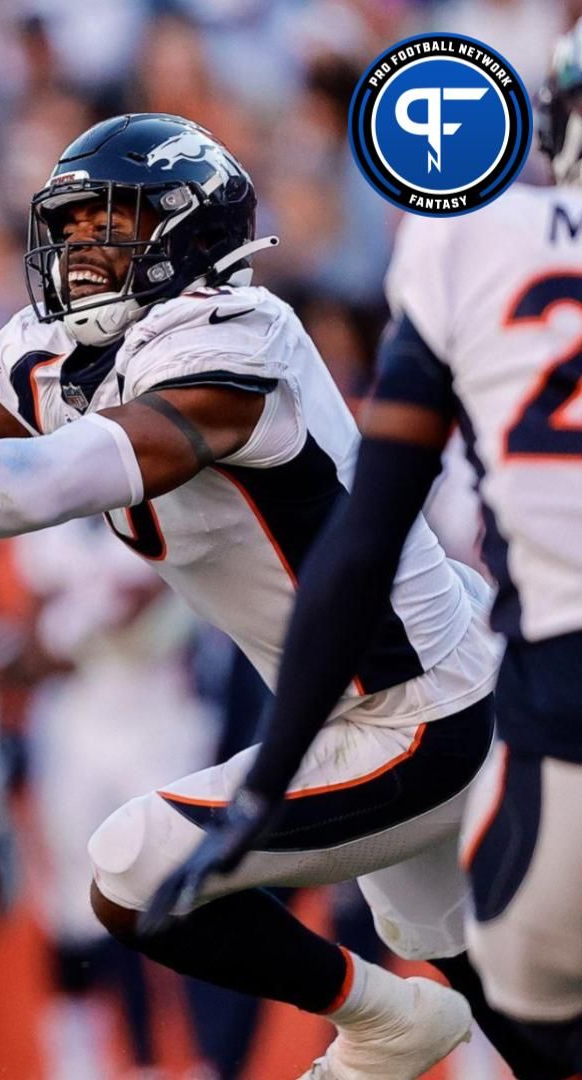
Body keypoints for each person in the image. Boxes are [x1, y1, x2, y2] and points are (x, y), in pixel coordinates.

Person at [0, 113, 554, 1080]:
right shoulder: (71, 351)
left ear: (189, 229)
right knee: (507, 1002)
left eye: (107, 223)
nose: (79, 248)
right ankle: (404, 1026)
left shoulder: (236, 343)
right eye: (70, 225)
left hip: (415, 707)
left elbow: (34, 486)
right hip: (360, 704)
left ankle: (382, 1019)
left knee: (136, 866)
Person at [147, 22, 582, 1073]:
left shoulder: (476, 240)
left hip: (555, 681)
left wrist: (266, 788)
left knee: (531, 989)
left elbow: (362, 541)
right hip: (517, 672)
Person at [13, 518, 214, 1080]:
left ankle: (196, 1058)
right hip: (74, 730)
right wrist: (73, 637)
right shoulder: (51, 515)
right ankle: (81, 1061)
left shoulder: (162, 499)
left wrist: (81, 631)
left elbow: (167, 621)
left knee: (178, 901)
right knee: (76, 905)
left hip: (162, 725)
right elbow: (32, 649)